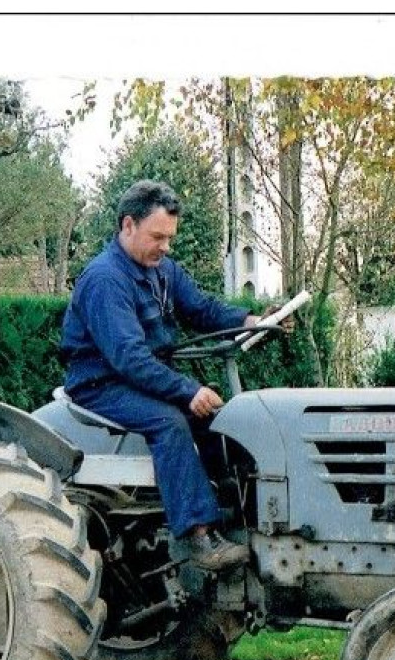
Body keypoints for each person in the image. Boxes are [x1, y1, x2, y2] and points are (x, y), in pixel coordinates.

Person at [60, 179, 257, 571]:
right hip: (101, 384)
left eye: (169, 238)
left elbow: (201, 309)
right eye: (157, 236)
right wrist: (186, 390)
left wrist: (249, 320)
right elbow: (129, 358)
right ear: (128, 226)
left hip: (137, 376)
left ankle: (236, 517)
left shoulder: (161, 269)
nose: (165, 246)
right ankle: (198, 538)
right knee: (169, 422)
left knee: (220, 419)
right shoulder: (104, 279)